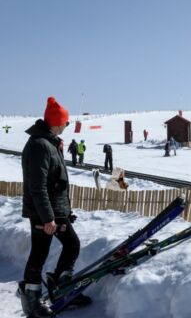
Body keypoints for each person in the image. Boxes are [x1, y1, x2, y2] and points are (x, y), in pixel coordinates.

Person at [18, 97, 91, 318]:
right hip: (43, 212)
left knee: (71, 245)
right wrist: (48, 217)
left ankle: (61, 288)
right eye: (66, 122)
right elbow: (37, 186)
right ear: (56, 122)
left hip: (53, 210)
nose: (66, 126)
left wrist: (64, 212)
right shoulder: (40, 145)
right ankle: (32, 301)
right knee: (40, 252)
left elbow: (55, 182)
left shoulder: (50, 142)